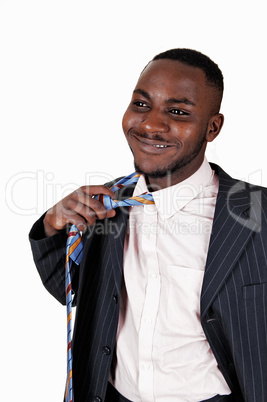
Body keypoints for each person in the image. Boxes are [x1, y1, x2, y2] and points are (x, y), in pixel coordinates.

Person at [29, 49, 267, 402]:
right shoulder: (105, 204)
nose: (151, 124)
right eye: (141, 105)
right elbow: (72, 290)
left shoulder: (258, 214)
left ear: (212, 127)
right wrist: (53, 225)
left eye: (178, 111)